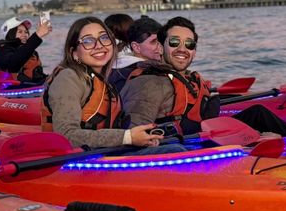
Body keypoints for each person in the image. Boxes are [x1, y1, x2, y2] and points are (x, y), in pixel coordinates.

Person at [121, 16, 286, 138]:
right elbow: (137, 134)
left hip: (205, 133)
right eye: (174, 42)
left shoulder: (188, 78)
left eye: (189, 44)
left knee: (258, 113)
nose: (182, 49)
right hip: (187, 144)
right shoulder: (148, 83)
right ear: (160, 47)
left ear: (195, 51)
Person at [41, 17, 183, 153]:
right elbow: (66, 135)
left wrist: (143, 136)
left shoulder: (103, 81)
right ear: (74, 53)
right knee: (175, 151)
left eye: (104, 38)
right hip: (78, 160)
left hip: (103, 152)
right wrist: (127, 137)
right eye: (88, 41)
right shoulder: (68, 78)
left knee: (175, 145)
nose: (99, 46)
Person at [0, 15, 52, 84]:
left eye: (26, 32)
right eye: (20, 32)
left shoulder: (31, 52)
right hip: (11, 89)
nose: (25, 35)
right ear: (11, 34)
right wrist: (37, 35)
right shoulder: (0, 51)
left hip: (34, 85)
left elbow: (37, 76)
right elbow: (13, 64)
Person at [107, 15, 162, 93]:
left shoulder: (117, 68)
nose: (160, 46)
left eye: (161, 40)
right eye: (153, 42)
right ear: (136, 47)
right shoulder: (139, 74)